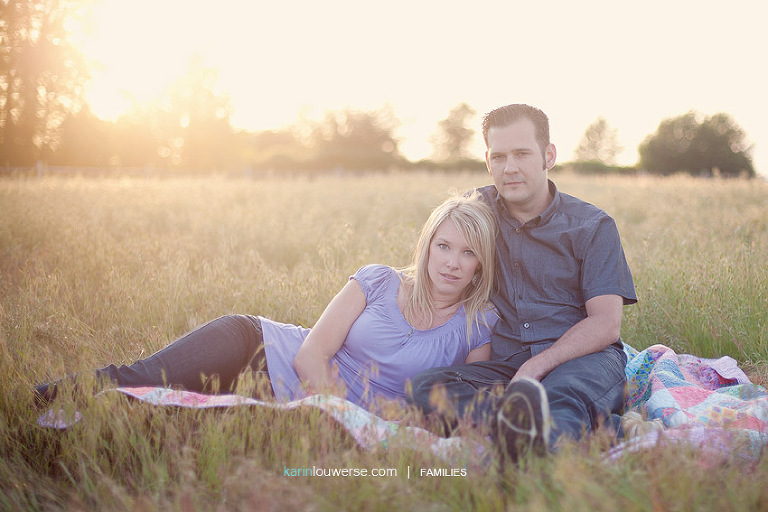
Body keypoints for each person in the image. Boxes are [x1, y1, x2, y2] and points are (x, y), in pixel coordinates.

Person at [34, 194, 499, 412]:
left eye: (468, 252)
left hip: (291, 408)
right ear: (427, 245)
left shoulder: (478, 325)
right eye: (444, 246)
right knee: (140, 380)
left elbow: (466, 401)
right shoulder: (378, 280)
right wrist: (345, 416)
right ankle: (39, 399)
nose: (453, 263)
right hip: (255, 347)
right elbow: (310, 353)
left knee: (149, 412)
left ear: (481, 264)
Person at [407, 104, 637, 461]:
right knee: (426, 389)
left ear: (549, 155)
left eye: (522, 154)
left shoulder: (593, 226)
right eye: (499, 156)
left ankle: (533, 459)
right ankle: (531, 429)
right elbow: (437, 258)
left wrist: (536, 367)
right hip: (506, 362)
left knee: (562, 399)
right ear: (487, 161)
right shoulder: (476, 211)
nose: (509, 167)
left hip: (582, 358)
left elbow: (606, 324)